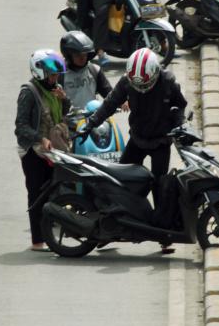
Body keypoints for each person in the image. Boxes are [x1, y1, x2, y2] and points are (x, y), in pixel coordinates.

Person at [80, 48, 187, 196]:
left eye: (145, 85)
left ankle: (158, 218)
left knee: (160, 188)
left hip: (161, 142)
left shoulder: (168, 82)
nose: (142, 90)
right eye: (138, 86)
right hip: (137, 139)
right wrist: (91, 123)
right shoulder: (127, 81)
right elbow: (110, 103)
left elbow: (180, 105)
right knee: (121, 180)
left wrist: (181, 125)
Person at [15, 50, 70, 251]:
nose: (55, 79)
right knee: (36, 193)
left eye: (56, 75)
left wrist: (64, 99)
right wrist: (41, 138)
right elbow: (20, 126)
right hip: (34, 151)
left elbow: (63, 115)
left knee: (53, 191)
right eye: (52, 75)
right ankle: (37, 240)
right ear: (40, 73)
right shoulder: (28, 92)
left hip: (52, 149)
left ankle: (49, 234)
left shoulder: (55, 89)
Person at [59, 30, 113, 108]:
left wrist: (121, 102)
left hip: (93, 116)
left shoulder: (94, 70)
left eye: (85, 55)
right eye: (78, 55)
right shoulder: (60, 74)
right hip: (70, 117)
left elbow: (108, 92)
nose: (82, 58)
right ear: (69, 55)